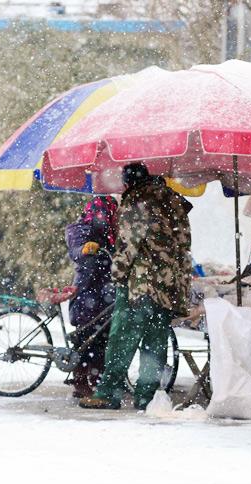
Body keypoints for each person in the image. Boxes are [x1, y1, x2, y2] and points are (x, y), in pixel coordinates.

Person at [81, 163, 193, 410]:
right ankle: (146, 396)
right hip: (167, 287)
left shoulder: (138, 201)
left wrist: (117, 274)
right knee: (155, 343)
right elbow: (184, 245)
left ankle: (108, 392)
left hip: (140, 286)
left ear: (128, 182)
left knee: (122, 339)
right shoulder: (174, 203)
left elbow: (128, 245)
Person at [64, 195, 119, 399]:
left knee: (102, 336)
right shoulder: (80, 229)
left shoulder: (109, 232)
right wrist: (85, 249)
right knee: (85, 337)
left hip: (104, 290)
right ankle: (79, 381)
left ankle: (97, 378)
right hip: (86, 289)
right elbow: (76, 251)